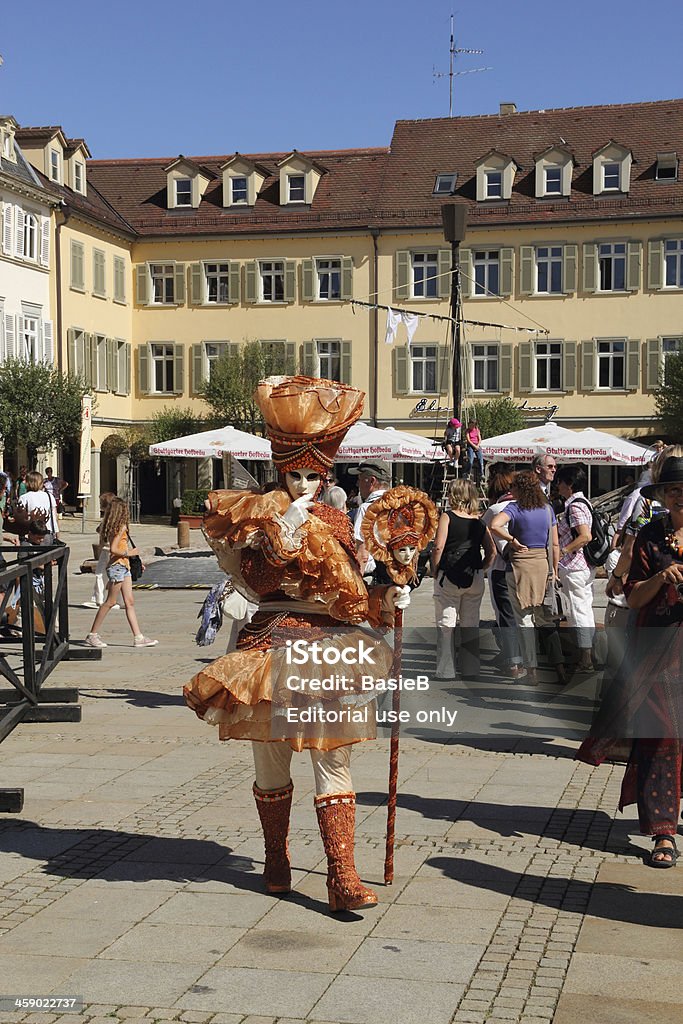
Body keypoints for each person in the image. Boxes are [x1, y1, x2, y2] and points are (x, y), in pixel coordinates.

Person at [183, 376, 409, 913]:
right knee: (272, 762)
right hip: (269, 646)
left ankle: (342, 876)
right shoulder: (258, 516)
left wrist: (388, 598)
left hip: (326, 650)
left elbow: (350, 590)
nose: (304, 483)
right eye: (294, 474)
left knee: (333, 760)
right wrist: (284, 521)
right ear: (280, 471)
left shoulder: (334, 519)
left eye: (314, 474)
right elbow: (259, 580)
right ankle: (276, 858)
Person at [577, 455, 683, 867]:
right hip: (657, 651)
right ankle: (663, 832)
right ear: (661, 495)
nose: (680, 497)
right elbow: (631, 597)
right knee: (662, 735)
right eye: (673, 490)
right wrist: (660, 578)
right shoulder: (649, 537)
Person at [489, 471, 564, 686]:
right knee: (546, 619)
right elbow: (555, 543)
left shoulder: (514, 507)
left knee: (524, 620)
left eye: (513, 487)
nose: (510, 490)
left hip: (520, 563)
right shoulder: (547, 509)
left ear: (520, 489)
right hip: (543, 563)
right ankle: (559, 666)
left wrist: (512, 540)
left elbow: (494, 525)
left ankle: (532, 671)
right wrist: (554, 570)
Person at [432, 478, 495, 680]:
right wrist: (482, 567)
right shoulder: (479, 522)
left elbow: (439, 547)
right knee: (470, 623)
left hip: (449, 576)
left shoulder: (447, 517)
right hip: (474, 575)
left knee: (446, 623)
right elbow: (492, 551)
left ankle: (446, 670)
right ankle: (470, 669)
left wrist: (435, 568)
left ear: (454, 495)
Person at [85, 497, 157, 649]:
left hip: (124, 567)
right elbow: (113, 549)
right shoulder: (121, 527)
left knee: (129, 601)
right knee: (110, 602)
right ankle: (92, 634)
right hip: (118, 566)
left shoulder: (112, 526)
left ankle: (138, 637)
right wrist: (130, 553)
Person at [483, 466, 524, 679]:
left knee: (505, 616)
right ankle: (525, 661)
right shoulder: (530, 507)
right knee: (523, 616)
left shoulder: (496, 510)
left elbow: (490, 545)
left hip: (500, 569)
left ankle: (512, 664)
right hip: (528, 569)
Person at [556, 465, 596, 673]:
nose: (558, 485)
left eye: (560, 481)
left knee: (578, 610)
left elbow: (585, 536)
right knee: (584, 608)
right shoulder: (582, 502)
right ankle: (588, 653)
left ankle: (585, 657)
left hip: (575, 566)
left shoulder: (574, 506)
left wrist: (563, 551)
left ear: (569, 484)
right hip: (583, 566)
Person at [82, 492, 123, 611]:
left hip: (107, 550)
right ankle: (118, 600)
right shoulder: (117, 517)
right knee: (115, 576)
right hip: (114, 550)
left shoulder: (108, 518)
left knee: (101, 574)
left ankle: (99, 599)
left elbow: (101, 530)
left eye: (101, 503)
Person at [349, 460, 392, 575]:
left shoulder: (366, 509)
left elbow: (362, 553)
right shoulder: (399, 505)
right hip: (398, 573)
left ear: (372, 481)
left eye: (360, 479)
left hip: (376, 575)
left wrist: (358, 583)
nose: (357, 484)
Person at [18, 472, 59, 542]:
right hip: (48, 532)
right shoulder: (49, 496)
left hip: (31, 534)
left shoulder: (24, 498)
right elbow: (55, 516)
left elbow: (21, 519)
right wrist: (57, 534)